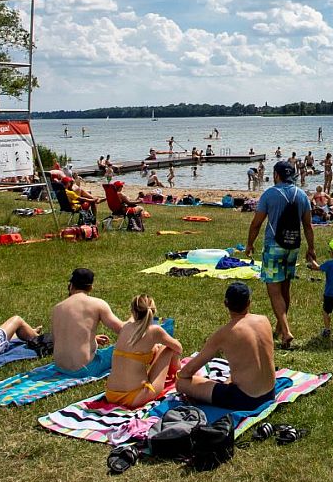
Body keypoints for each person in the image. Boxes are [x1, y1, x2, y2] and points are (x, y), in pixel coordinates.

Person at [244, 160, 316, 349]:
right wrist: (311, 248)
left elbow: (257, 223)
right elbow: (308, 225)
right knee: (285, 288)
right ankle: (279, 326)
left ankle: (285, 331)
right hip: (293, 245)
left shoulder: (270, 194)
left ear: (276, 175)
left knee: (274, 290)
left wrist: (250, 244)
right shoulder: (301, 195)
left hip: (274, 245)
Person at [177, 282, 278, 412]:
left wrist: (179, 374)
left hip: (247, 400)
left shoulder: (225, 333)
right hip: (270, 392)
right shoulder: (264, 320)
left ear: (226, 303)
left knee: (181, 383)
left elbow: (189, 370)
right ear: (249, 302)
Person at [104, 294, 183, 408]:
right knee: (169, 348)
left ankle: (175, 372)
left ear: (133, 311)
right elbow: (178, 347)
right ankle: (177, 373)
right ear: (153, 312)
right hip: (135, 396)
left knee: (154, 349)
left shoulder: (125, 327)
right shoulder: (155, 330)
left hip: (111, 394)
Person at [50, 268, 124, 373]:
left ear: (71, 286)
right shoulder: (97, 304)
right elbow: (123, 330)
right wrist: (137, 318)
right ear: (90, 287)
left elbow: (57, 338)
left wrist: (89, 338)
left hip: (60, 367)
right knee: (127, 345)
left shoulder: (57, 308)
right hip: (84, 368)